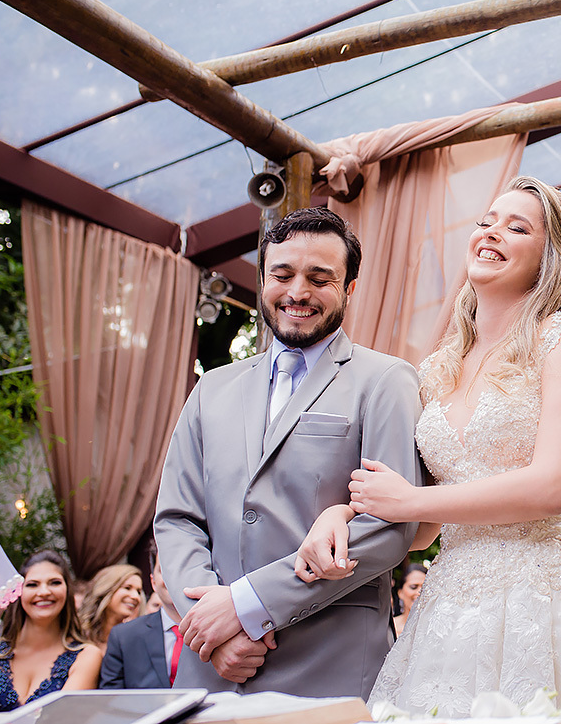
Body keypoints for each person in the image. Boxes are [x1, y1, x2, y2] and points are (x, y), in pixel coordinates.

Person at [295, 176, 561, 719]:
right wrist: (342, 513)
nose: (492, 233)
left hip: (557, 598)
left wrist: (409, 501)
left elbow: (552, 488)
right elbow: (420, 531)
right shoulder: (438, 369)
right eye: (487, 221)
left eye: (517, 226)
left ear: (548, 257)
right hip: (456, 609)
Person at [155, 207, 422, 698]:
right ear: (262, 279)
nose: (297, 292)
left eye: (320, 278)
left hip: (330, 666)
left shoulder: (386, 381)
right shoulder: (211, 388)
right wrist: (210, 625)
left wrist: (246, 605)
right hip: (210, 667)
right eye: (282, 275)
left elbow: (389, 528)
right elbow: (177, 518)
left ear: (350, 288)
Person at [0, 551, 102, 711]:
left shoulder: (86, 656)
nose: (44, 592)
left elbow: (65, 718)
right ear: (19, 592)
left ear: (68, 590)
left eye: (54, 583)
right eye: (32, 584)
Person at [99, 544, 182, 689]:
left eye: (180, 568)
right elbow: (111, 699)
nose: (172, 576)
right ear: (153, 582)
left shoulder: (221, 629)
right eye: (164, 570)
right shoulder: (124, 637)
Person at [79, 563, 143, 647]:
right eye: (127, 588)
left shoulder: (136, 641)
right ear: (106, 590)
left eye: (138, 591)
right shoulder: (78, 635)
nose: (136, 597)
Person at [392, 564, 426, 635]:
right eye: (413, 587)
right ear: (400, 592)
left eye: (424, 588)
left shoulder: (435, 629)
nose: (419, 592)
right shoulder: (390, 628)